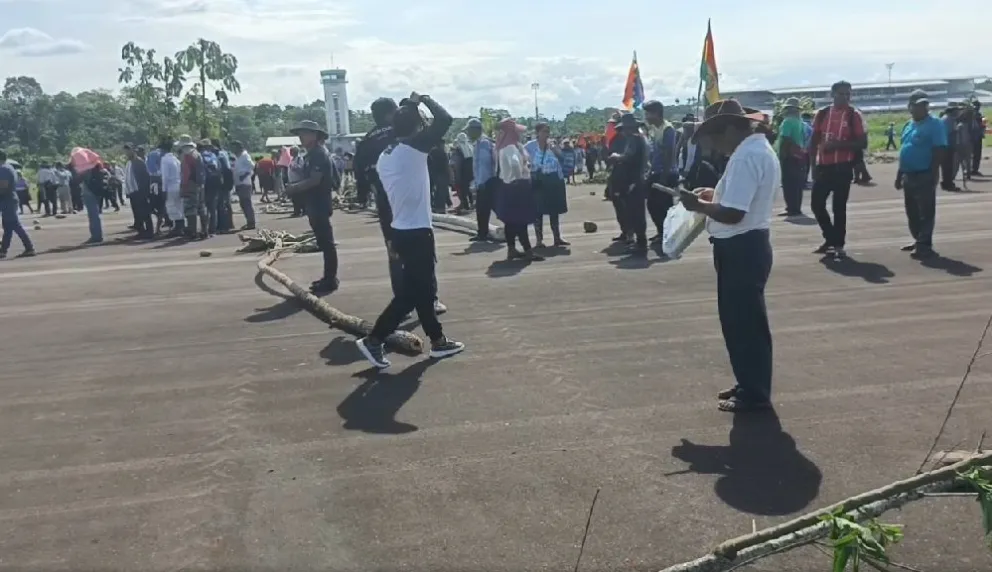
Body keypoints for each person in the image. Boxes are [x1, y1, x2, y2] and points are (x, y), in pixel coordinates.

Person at [679, 100, 780, 413]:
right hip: (744, 245)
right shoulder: (753, 151)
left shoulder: (747, 156)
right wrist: (714, 196)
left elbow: (735, 213)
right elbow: (735, 201)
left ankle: (754, 392)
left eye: (715, 136)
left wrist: (699, 207)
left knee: (745, 324)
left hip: (742, 246)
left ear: (731, 129)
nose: (715, 145)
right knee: (741, 322)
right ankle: (748, 382)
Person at [355, 93, 464, 369]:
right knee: (411, 295)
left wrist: (412, 108)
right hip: (417, 232)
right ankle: (374, 339)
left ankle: (438, 341)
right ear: (416, 129)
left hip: (401, 229)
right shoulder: (414, 151)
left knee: (422, 290)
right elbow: (445, 120)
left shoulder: (386, 155)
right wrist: (425, 98)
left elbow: (412, 128)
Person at [808, 80, 868, 259]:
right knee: (817, 205)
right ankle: (830, 238)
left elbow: (862, 142)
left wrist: (838, 145)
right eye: (841, 94)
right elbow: (814, 141)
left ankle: (838, 244)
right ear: (832, 95)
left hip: (843, 167)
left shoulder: (853, 115)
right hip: (824, 166)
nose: (845, 97)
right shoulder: (822, 114)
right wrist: (813, 166)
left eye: (848, 94)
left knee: (839, 208)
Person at [285, 120, 339, 295]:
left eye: (304, 133)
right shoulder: (311, 154)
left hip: (319, 203)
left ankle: (330, 279)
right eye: (300, 133)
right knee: (324, 242)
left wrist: (294, 188)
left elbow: (315, 180)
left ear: (315, 135)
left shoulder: (318, 154)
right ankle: (328, 277)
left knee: (327, 243)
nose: (301, 137)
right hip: (313, 203)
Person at [895, 90, 945, 259]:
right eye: (918, 105)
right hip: (908, 174)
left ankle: (924, 244)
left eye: (925, 105)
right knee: (912, 211)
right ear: (910, 107)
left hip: (924, 173)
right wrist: (899, 174)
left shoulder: (935, 124)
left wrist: (933, 173)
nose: (923, 108)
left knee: (926, 211)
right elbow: (904, 149)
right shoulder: (908, 125)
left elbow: (939, 150)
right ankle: (918, 239)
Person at [493, 118, 542, 261]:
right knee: (520, 221)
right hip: (517, 187)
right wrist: (519, 177)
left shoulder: (505, 147)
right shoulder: (510, 148)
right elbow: (515, 164)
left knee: (511, 221)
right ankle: (527, 251)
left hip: (508, 186)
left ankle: (512, 249)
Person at [609, 114, 648, 254]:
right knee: (634, 212)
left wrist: (616, 157)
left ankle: (641, 243)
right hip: (634, 179)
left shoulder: (635, 139)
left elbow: (628, 157)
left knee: (636, 212)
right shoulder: (638, 139)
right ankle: (639, 241)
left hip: (634, 180)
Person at [531, 122, 570, 249]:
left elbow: (561, 158)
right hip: (539, 181)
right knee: (538, 211)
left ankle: (557, 238)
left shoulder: (552, 145)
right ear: (537, 133)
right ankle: (539, 240)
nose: (546, 134)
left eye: (548, 131)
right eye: (544, 131)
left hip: (554, 180)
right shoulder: (530, 147)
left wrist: (553, 148)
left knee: (554, 211)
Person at [644, 99, 678, 241]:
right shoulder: (654, 129)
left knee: (664, 205)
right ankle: (661, 231)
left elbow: (669, 154)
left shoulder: (667, 129)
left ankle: (668, 234)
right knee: (652, 204)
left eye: (648, 113)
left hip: (666, 173)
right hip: (656, 172)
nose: (646, 117)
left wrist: (664, 176)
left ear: (656, 113)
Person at [466, 118, 497, 242]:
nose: (468, 133)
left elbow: (484, 164)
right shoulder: (479, 143)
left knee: (485, 208)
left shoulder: (484, 143)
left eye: (469, 130)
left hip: (486, 182)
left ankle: (483, 233)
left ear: (475, 130)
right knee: (482, 209)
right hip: (482, 182)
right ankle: (482, 233)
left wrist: (481, 182)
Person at [0, 150, 35, 259]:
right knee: (8, 227)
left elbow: (3, 187)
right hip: (8, 200)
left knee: (14, 225)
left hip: (7, 201)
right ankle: (3, 251)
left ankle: (29, 247)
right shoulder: (8, 167)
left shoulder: (3, 169)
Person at [776, 97, 807, 217]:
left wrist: (782, 155)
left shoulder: (787, 122)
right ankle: (796, 207)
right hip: (799, 155)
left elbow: (785, 138)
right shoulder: (800, 122)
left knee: (788, 183)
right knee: (797, 183)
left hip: (788, 156)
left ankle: (791, 208)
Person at [177, 135, 208, 239]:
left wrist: (183, 186)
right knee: (201, 208)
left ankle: (192, 232)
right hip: (200, 184)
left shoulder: (186, 155)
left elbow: (186, 173)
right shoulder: (197, 153)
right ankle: (204, 231)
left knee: (190, 209)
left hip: (190, 184)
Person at [124, 144, 153, 238]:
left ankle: (149, 232)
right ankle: (141, 231)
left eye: (129, 150)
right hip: (133, 192)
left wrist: (145, 191)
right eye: (126, 151)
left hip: (140, 191)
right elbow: (128, 178)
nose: (127, 153)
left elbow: (145, 177)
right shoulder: (129, 163)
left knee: (144, 212)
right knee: (137, 213)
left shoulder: (139, 162)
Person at [159, 138, 184, 237]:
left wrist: (164, 190)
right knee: (179, 206)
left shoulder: (164, 159)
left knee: (171, 206)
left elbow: (165, 177)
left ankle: (178, 228)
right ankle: (180, 226)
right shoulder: (175, 159)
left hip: (170, 186)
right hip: (178, 184)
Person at [231, 141, 256, 230]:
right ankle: (249, 221)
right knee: (243, 204)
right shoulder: (237, 157)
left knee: (246, 203)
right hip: (239, 183)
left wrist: (244, 175)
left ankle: (251, 222)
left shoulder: (245, 155)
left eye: (234, 147)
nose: (232, 149)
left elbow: (252, 166)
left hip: (245, 182)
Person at [451, 132, 474, 213]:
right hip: (471, 173)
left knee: (463, 190)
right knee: (469, 189)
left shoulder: (458, 150)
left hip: (462, 173)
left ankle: (465, 206)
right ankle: (471, 204)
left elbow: (456, 164)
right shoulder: (470, 148)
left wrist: (456, 175)